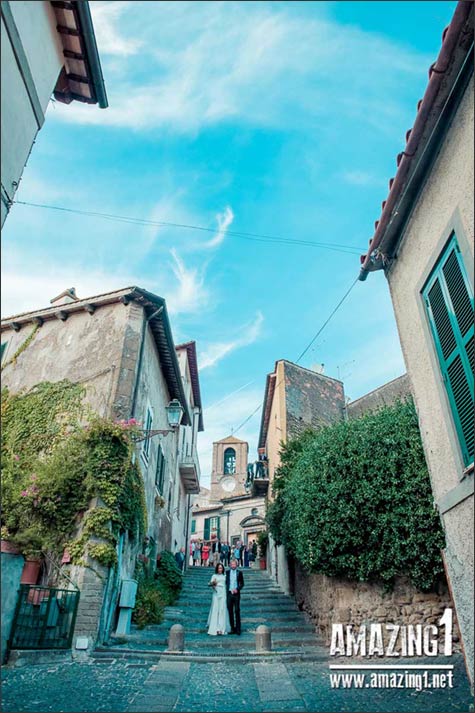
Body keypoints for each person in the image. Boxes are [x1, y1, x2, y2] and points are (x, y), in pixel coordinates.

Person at [207, 563, 231, 636]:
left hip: (223, 593)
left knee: (222, 610)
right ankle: (215, 628)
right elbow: (211, 584)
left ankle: (221, 628)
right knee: (216, 610)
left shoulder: (225, 576)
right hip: (216, 594)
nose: (220, 569)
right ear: (217, 569)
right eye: (219, 568)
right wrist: (213, 585)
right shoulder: (214, 576)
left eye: (221, 568)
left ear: (223, 569)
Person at [226, 558, 244, 635]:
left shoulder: (239, 573)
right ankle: (232, 628)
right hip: (229, 594)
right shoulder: (227, 573)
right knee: (230, 611)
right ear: (230, 565)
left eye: (234, 564)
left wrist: (238, 589)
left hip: (236, 594)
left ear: (237, 565)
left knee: (237, 610)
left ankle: (238, 628)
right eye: (232, 564)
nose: (233, 565)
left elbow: (242, 583)